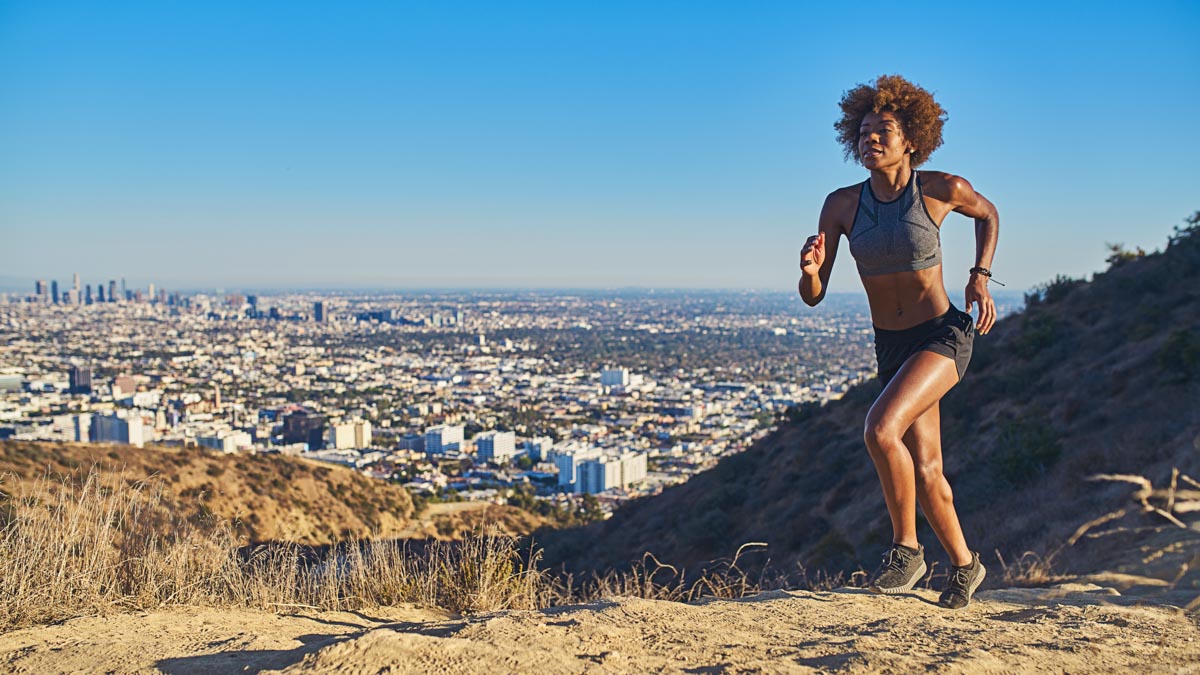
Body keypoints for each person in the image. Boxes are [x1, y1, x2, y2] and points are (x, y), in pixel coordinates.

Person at [797, 75, 998, 609]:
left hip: (942, 334)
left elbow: (989, 214)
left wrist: (980, 274)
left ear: (912, 139)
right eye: (863, 131)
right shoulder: (840, 205)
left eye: (883, 129)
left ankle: (906, 550)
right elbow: (814, 295)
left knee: (881, 428)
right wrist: (811, 271)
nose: (870, 139)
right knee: (927, 467)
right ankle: (966, 565)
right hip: (892, 346)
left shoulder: (940, 189)